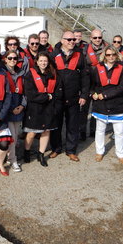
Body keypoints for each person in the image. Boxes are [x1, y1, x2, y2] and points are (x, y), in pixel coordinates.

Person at [50, 31, 89, 162]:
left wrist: (84, 94)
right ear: (62, 40)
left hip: (74, 97)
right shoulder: (54, 54)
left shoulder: (80, 55)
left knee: (73, 124)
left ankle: (71, 150)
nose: (72, 42)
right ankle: (56, 148)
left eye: (73, 39)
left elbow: (85, 76)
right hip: (57, 96)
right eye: (69, 39)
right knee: (56, 124)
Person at [90, 45, 123, 164]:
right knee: (100, 130)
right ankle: (99, 151)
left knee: (119, 132)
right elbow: (92, 85)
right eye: (108, 55)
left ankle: (121, 154)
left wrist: (106, 95)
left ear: (116, 55)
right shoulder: (97, 68)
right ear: (104, 56)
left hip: (117, 104)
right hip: (101, 105)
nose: (111, 57)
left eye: (113, 54)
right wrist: (93, 94)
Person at [23, 52, 63, 167]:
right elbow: (30, 94)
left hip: (49, 108)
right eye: (41, 61)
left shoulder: (54, 75)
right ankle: (26, 151)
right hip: (34, 109)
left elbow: (58, 92)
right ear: (37, 61)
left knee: (46, 131)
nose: (43, 63)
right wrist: (46, 97)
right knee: (31, 133)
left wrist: (54, 103)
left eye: (45, 61)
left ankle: (40, 154)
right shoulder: (30, 74)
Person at [80, 29, 107, 140]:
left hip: (100, 82)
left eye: (99, 37)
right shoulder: (85, 49)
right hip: (87, 81)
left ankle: (93, 131)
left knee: (97, 107)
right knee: (84, 108)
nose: (97, 40)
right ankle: (81, 131)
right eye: (95, 37)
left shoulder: (107, 48)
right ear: (90, 38)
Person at [3, 49, 27, 172]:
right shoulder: (2, 73)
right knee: (10, 137)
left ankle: (9, 157)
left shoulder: (22, 73)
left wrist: (22, 106)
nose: (12, 60)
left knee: (16, 137)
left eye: (15, 58)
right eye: (10, 58)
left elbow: (25, 92)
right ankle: (13, 160)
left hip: (18, 109)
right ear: (5, 59)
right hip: (6, 110)